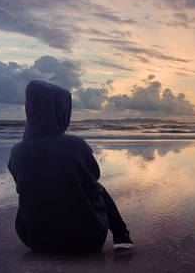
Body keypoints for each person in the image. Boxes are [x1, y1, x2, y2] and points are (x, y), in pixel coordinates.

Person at [8, 80, 134, 253]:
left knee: (35, 189)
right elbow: (93, 177)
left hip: (33, 240)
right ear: (61, 112)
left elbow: (21, 184)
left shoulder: (17, 151)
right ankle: (122, 236)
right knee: (98, 189)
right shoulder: (76, 145)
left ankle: (44, 229)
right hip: (87, 239)